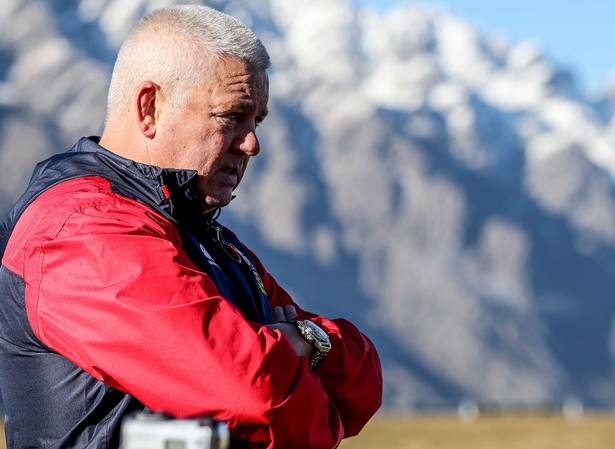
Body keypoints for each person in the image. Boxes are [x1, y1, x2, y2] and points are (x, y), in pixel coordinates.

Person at [0, 5, 382, 449]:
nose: (253, 143)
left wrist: (305, 340)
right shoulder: (78, 232)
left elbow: (361, 385)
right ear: (150, 107)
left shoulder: (205, 237)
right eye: (231, 116)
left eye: (256, 120)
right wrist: (292, 347)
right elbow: (259, 394)